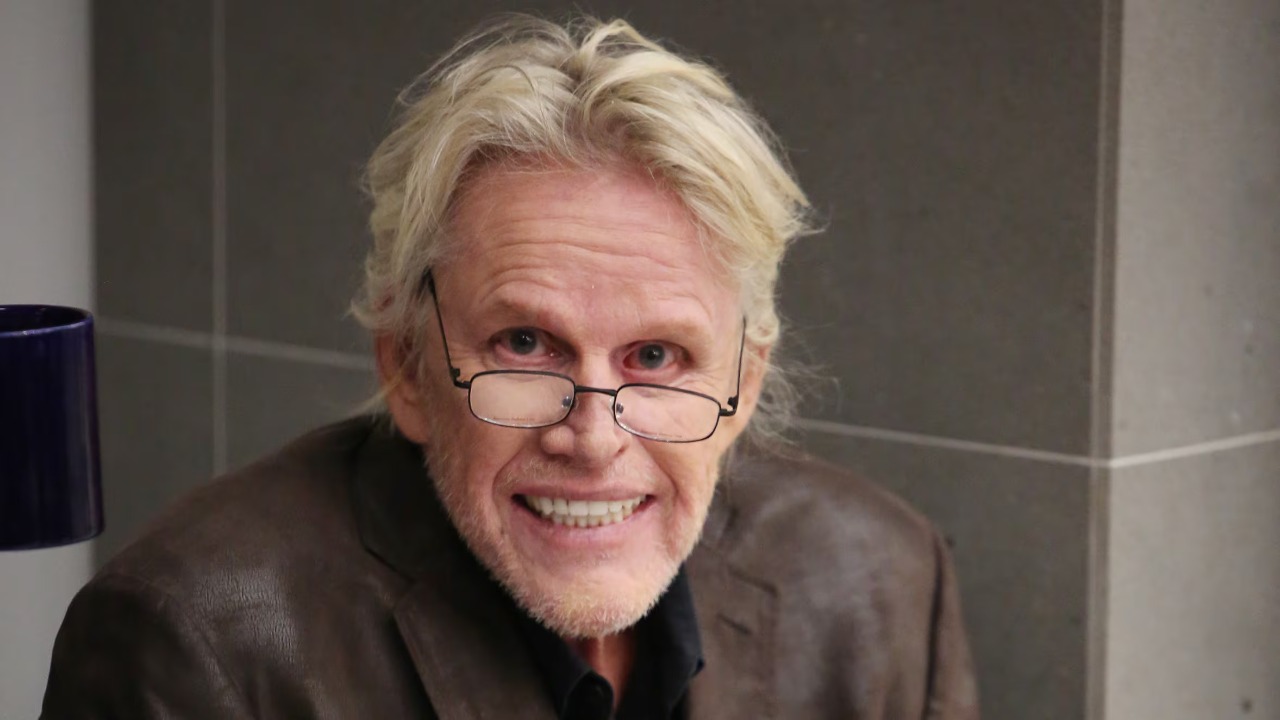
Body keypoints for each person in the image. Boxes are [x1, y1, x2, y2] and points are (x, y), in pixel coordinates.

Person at [42, 15, 978, 719]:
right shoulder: (192, 640)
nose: (592, 438)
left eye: (657, 357)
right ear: (408, 366)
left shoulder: (884, 582)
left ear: (744, 384)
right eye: (524, 344)